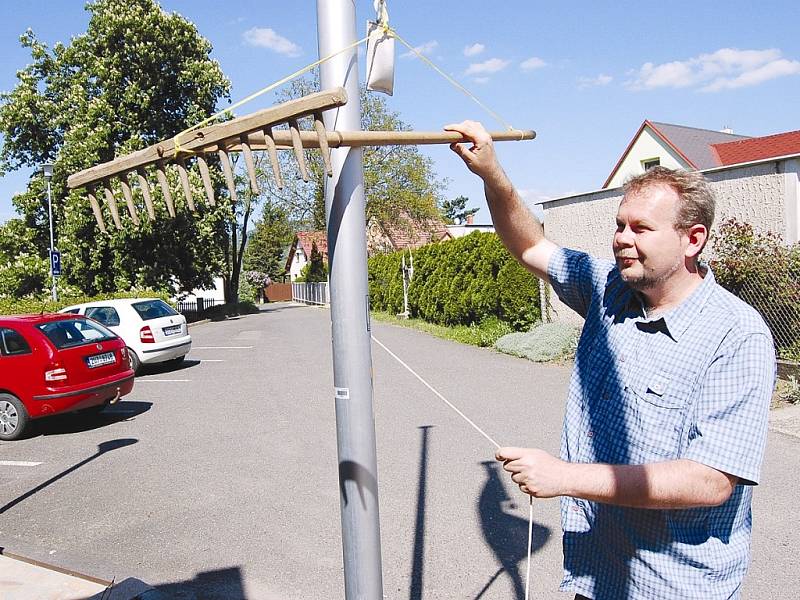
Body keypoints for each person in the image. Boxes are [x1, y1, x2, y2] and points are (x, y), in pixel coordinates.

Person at [446, 121, 776, 600]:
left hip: (674, 587)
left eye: (641, 228)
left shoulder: (736, 335)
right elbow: (531, 245)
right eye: (620, 225)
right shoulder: (608, 290)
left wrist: (564, 477)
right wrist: (493, 174)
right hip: (597, 573)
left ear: (694, 239)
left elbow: (710, 479)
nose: (622, 238)